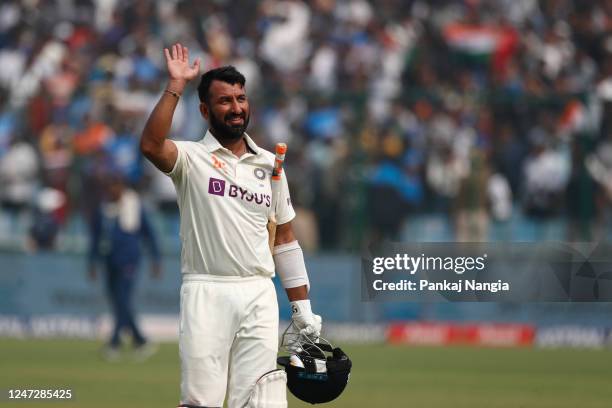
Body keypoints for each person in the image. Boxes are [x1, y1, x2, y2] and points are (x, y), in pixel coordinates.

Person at [140, 43, 321, 408]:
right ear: (206, 110)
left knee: (261, 401)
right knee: (201, 401)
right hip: (207, 289)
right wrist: (176, 85)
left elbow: (284, 237)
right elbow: (151, 145)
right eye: (225, 101)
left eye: (241, 98)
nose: (236, 108)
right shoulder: (192, 158)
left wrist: (301, 307)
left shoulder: (271, 165)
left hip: (258, 292)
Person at [88, 173, 161, 360]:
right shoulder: (103, 209)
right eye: (110, 186)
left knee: (123, 300)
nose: (113, 190)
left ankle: (114, 343)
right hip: (109, 260)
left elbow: (149, 233)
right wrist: (92, 262)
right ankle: (140, 340)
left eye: (116, 186)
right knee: (118, 302)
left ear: (122, 187)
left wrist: (156, 259)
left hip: (129, 260)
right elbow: (95, 238)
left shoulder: (134, 206)